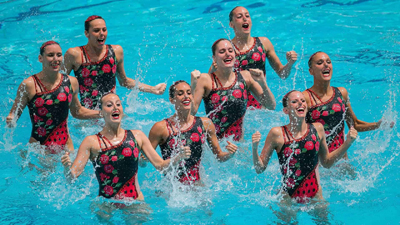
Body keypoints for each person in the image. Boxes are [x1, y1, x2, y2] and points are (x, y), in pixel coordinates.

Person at [61, 93, 191, 202]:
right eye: (109, 105)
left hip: (135, 202)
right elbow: (72, 176)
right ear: (101, 112)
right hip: (107, 205)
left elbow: (161, 166)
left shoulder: (137, 136)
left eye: (118, 104)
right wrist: (67, 167)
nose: (115, 108)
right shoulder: (91, 142)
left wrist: (179, 157)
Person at [252, 90, 358, 204]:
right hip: (288, 198)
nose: (300, 103)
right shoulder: (277, 134)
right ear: (286, 110)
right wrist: (254, 148)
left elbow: (327, 163)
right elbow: (260, 169)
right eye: (294, 101)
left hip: (316, 196)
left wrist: (348, 143)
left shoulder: (317, 129)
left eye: (303, 101)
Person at [6, 41, 101, 154]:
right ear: (40, 58)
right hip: (39, 148)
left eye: (59, 55)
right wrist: (11, 119)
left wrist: (102, 114)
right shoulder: (29, 85)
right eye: (50, 55)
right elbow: (14, 113)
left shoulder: (71, 82)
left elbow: (77, 111)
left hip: (66, 145)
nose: (56, 59)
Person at [64, 15, 166, 109]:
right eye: (96, 30)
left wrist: (153, 89)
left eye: (104, 30)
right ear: (86, 33)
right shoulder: (75, 55)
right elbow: (59, 83)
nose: (102, 33)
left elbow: (124, 81)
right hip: (88, 116)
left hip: (113, 112)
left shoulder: (116, 52)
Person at [144, 81, 238, 185]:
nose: (186, 96)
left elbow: (219, 156)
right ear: (172, 100)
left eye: (189, 93)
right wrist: (178, 157)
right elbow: (144, 163)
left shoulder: (205, 124)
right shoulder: (161, 128)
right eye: (180, 94)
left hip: (198, 187)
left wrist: (230, 154)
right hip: (172, 189)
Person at [304, 51, 394, 158]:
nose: (326, 65)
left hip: (342, 161)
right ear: (311, 71)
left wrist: (378, 125)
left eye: (328, 62)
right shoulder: (305, 98)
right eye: (320, 63)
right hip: (317, 163)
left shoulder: (341, 94)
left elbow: (355, 124)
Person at [210, 6, 298, 109]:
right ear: (231, 24)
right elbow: (210, 83)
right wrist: (212, 69)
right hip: (237, 105)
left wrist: (290, 64)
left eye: (247, 16)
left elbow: (282, 74)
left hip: (262, 104)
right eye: (239, 16)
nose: (245, 18)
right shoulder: (227, 50)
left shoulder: (263, 43)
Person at [192, 38, 276, 141]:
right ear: (214, 58)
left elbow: (271, 105)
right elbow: (191, 111)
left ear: (235, 56)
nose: (227, 54)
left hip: (239, 146)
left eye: (230, 51)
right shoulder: (206, 80)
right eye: (222, 51)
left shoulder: (246, 77)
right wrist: (193, 85)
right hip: (214, 149)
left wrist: (263, 83)